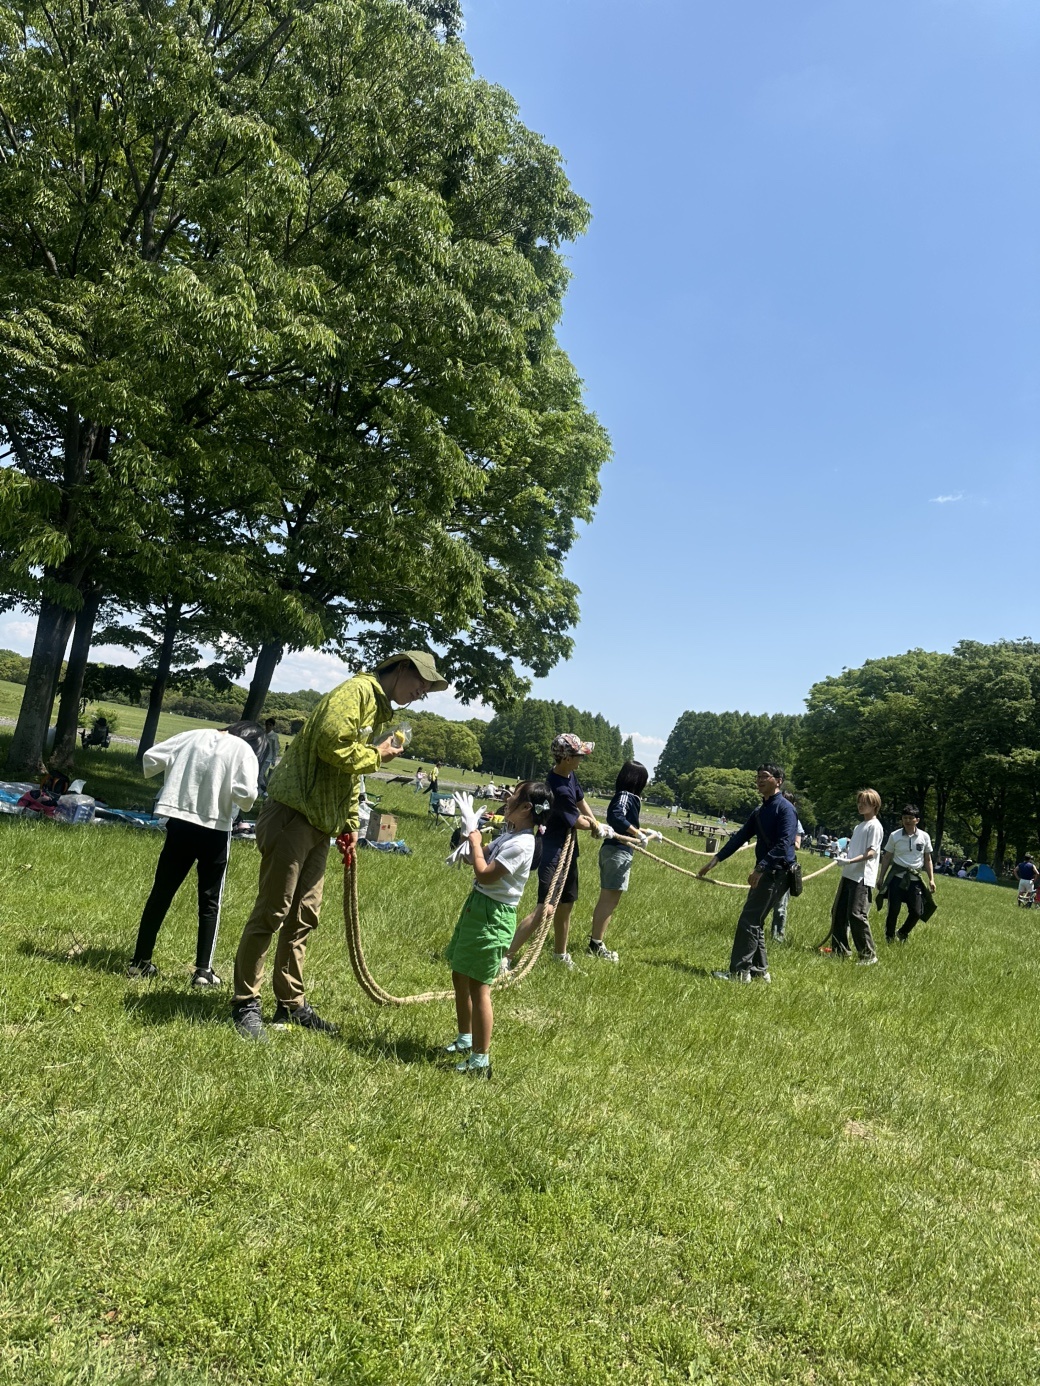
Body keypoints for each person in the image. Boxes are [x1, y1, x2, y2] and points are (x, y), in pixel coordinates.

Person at [230, 650, 446, 1041]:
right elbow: (332, 744)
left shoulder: (376, 708)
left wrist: (349, 825)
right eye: (421, 683)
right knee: (273, 911)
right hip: (293, 814)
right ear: (401, 668)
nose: (421, 693)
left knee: (304, 915)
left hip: (319, 822)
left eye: (427, 690)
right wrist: (377, 754)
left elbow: (347, 777)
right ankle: (245, 1003)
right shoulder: (357, 692)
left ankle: (290, 1003)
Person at [128, 722, 265, 987]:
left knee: (161, 893)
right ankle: (203, 971)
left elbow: (151, 758)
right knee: (210, 901)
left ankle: (139, 962)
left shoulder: (192, 736)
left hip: (179, 822)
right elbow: (247, 796)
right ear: (256, 743)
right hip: (215, 828)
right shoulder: (243, 750)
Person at [442, 781, 555, 1077]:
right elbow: (474, 858)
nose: (507, 799)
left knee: (480, 986)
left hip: (494, 916)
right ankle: (465, 1038)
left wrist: (476, 841)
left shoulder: (522, 844)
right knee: (460, 974)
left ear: (526, 808)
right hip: (477, 907)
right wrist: (468, 835)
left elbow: (485, 874)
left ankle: (481, 1061)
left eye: (514, 796)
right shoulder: (510, 835)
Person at [500, 733, 605, 972]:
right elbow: (577, 821)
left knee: (566, 904)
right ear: (567, 758)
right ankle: (506, 957)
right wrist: (596, 828)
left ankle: (560, 954)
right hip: (552, 852)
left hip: (568, 852)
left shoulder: (569, 776)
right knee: (546, 908)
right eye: (579, 755)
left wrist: (597, 822)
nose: (582, 759)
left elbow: (581, 801)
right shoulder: (557, 787)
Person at [699, 764, 798, 983]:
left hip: (776, 873)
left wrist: (761, 868)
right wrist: (716, 859)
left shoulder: (786, 809)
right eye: (758, 776)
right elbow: (740, 837)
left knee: (749, 920)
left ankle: (739, 973)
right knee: (755, 920)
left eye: (765, 776)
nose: (760, 780)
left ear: (778, 781)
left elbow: (784, 843)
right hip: (767, 872)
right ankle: (759, 972)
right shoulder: (760, 811)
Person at [586, 760, 662, 963]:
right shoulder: (625, 795)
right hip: (616, 851)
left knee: (611, 899)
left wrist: (646, 831)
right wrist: (637, 833)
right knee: (609, 899)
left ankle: (596, 942)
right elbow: (616, 817)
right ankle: (595, 944)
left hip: (618, 851)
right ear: (637, 780)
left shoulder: (630, 797)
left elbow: (626, 822)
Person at [827, 790, 884, 964]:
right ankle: (840, 951)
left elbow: (872, 852)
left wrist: (850, 860)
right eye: (859, 802)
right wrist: (845, 856)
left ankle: (868, 955)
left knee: (856, 914)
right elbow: (855, 849)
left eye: (864, 803)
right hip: (849, 874)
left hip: (862, 877)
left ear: (874, 805)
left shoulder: (875, 826)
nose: (860, 805)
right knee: (838, 913)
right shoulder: (859, 826)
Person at [876, 804, 936, 942]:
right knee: (893, 910)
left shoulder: (924, 837)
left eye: (910, 818)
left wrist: (931, 879)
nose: (907, 821)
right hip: (896, 878)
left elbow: (928, 859)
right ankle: (889, 937)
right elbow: (887, 857)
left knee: (917, 911)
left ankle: (903, 932)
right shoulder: (895, 836)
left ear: (917, 820)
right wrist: (881, 877)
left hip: (915, 880)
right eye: (905, 818)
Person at [769, 795, 804, 942]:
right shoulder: (774, 815)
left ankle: (777, 938)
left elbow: (798, 845)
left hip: (785, 867)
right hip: (769, 864)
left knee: (780, 906)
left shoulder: (795, 820)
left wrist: (785, 839)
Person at [257, 717, 281, 794]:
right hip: (261, 757)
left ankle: (264, 789)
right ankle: (261, 788)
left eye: (270, 725)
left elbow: (275, 748)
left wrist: (273, 759)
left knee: (260, 774)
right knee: (259, 773)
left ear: (273, 726)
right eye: (267, 724)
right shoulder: (263, 734)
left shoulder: (274, 736)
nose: (268, 726)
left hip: (268, 758)